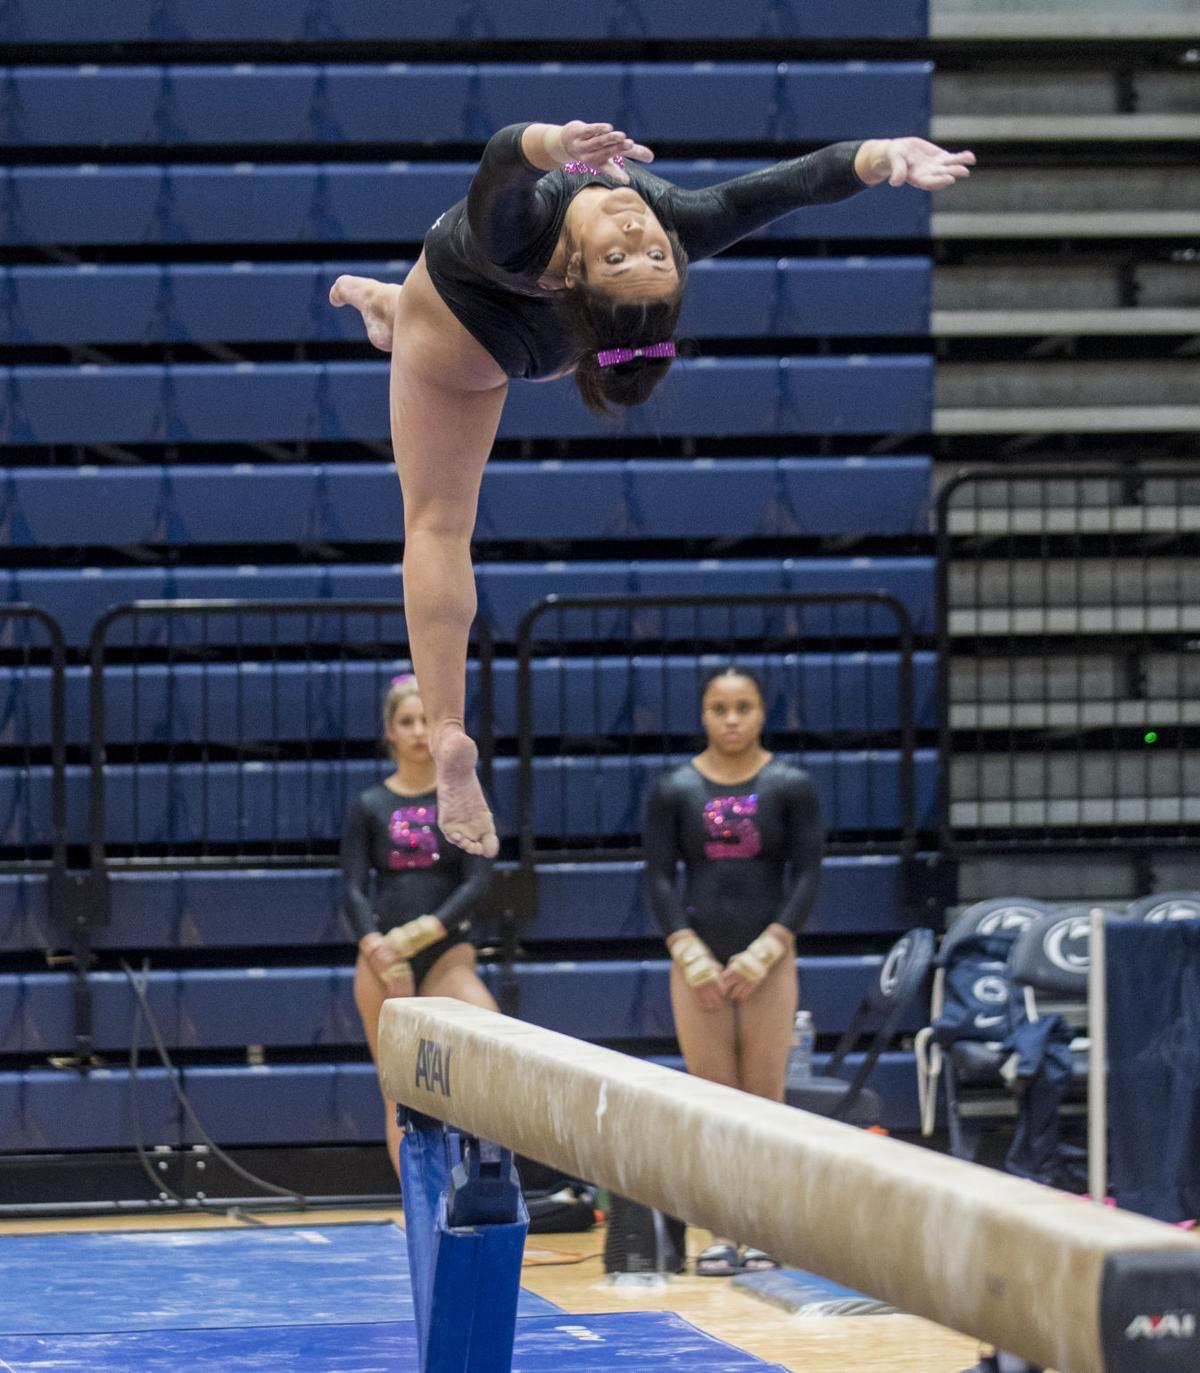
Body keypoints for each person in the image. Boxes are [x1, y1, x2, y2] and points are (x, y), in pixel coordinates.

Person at [329, 120, 975, 859]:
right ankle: (388, 307)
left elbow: (503, 156)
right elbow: (790, 186)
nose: (638, 230)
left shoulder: (523, 234)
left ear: (570, 271)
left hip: (464, 336)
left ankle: (448, 733)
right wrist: (885, 157)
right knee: (410, 318)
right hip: (568, 336)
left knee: (437, 525)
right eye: (650, 252)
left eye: (622, 253)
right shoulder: (671, 224)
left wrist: (553, 144)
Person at [642, 667, 824, 1276]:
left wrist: (766, 951)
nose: (732, 719)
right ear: (703, 715)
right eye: (719, 708)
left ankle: (765, 1227)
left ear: (762, 713)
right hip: (698, 965)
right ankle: (722, 1231)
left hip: (767, 962)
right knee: (715, 1101)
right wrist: (690, 954)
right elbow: (661, 877)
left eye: (743, 706)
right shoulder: (674, 788)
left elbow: (807, 875)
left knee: (765, 1100)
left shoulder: (789, 784)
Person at [341, 674, 498, 1174]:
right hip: (384, 962)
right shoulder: (370, 805)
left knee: (490, 1055)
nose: (415, 731)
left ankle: (478, 1194)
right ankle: (421, 1220)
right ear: (389, 731)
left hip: (446, 955)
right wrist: (376, 946)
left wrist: (424, 932)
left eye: (426, 720)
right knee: (399, 1096)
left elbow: (478, 881)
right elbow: (351, 887)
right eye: (406, 722)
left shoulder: (461, 797)